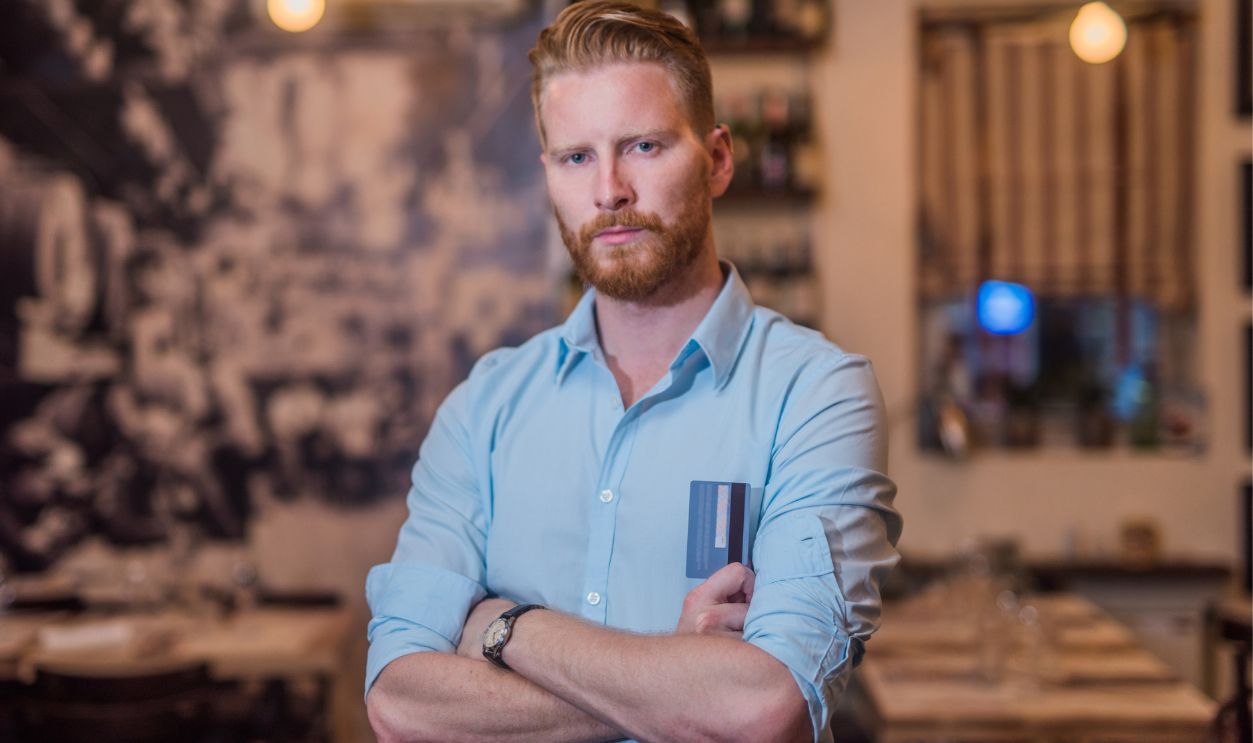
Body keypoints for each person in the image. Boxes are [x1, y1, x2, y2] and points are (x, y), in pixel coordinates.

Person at [364, 3, 902, 742]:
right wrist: (675, 675)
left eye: (643, 146)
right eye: (575, 157)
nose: (608, 189)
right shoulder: (483, 407)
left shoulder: (814, 394)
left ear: (716, 159)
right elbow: (400, 704)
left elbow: (761, 708)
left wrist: (502, 628)